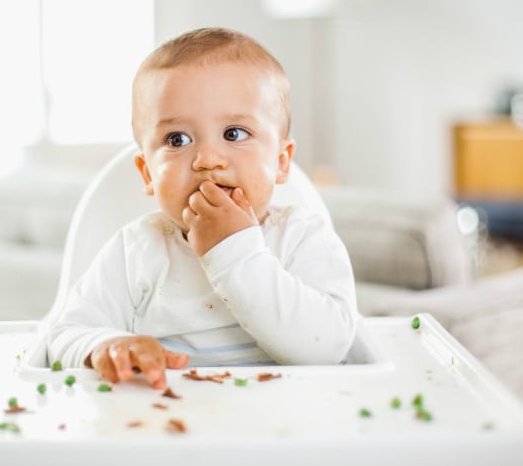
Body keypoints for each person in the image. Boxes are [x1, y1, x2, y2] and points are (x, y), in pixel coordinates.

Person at [48, 27, 357, 389]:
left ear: (281, 160)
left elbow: (329, 348)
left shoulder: (302, 238)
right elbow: (65, 334)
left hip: (285, 429)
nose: (207, 160)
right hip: (165, 425)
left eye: (234, 133)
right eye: (177, 139)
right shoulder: (136, 251)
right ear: (148, 173)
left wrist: (234, 252)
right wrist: (107, 346)